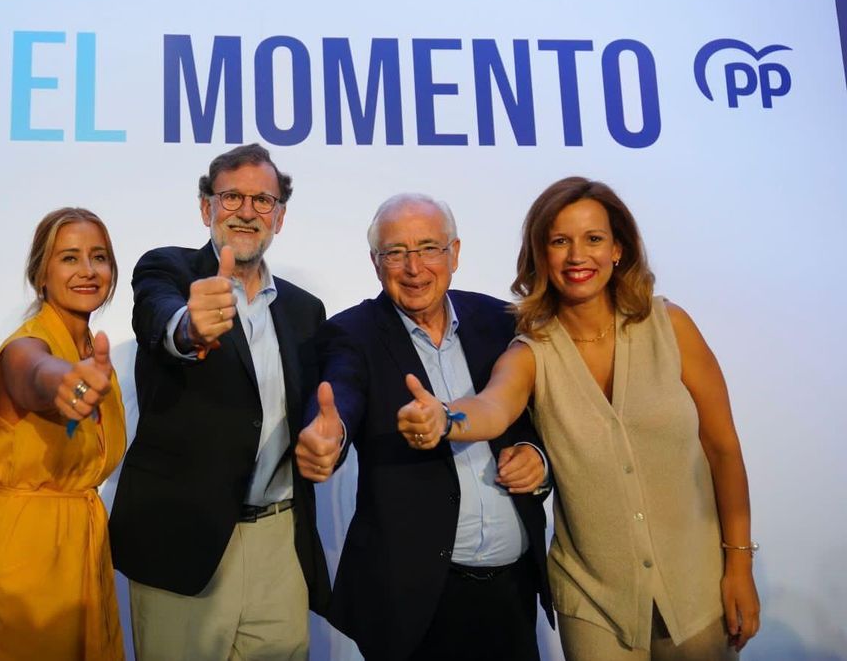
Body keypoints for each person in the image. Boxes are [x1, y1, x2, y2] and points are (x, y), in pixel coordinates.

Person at [436, 177, 761, 659]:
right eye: (559, 241)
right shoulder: (531, 350)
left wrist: (739, 567)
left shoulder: (670, 326)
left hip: (697, 592)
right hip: (592, 603)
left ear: (618, 249)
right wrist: (444, 418)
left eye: (593, 239)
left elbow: (723, 450)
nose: (576, 256)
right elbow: (492, 406)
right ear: (540, 255)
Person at [296, 194, 553, 660]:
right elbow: (342, 392)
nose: (414, 267)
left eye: (429, 248)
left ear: (454, 253)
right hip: (413, 603)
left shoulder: (501, 323)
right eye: (396, 252)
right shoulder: (352, 334)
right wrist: (329, 435)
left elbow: (536, 416)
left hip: (511, 592)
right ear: (376, 263)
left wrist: (538, 458)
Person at [108, 143, 330, 660]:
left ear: (280, 215)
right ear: (206, 207)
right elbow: (160, 317)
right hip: (183, 540)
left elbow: (315, 416)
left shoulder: (305, 310)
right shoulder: (168, 269)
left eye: (262, 200)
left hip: (280, 543)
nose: (247, 211)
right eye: (232, 196)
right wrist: (189, 327)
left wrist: (329, 444)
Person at [0, 208, 127, 660]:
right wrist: (64, 384)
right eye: (69, 258)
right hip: (22, 560)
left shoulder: (93, 353)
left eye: (99, 257)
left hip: (83, 553)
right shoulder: (24, 346)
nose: (88, 271)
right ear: (41, 274)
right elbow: (35, 374)